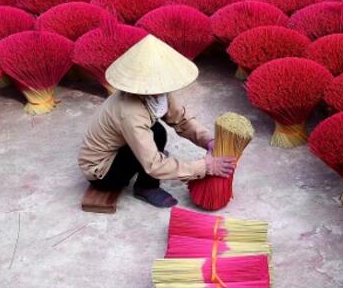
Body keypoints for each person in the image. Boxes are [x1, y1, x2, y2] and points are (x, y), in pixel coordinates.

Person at [78, 36, 237, 208]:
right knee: (155, 139)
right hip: (102, 171)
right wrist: (205, 167)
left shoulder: (158, 93)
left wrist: (208, 141)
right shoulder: (130, 112)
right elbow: (153, 165)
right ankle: (146, 187)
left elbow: (181, 120)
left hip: (122, 144)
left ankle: (147, 176)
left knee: (157, 131)